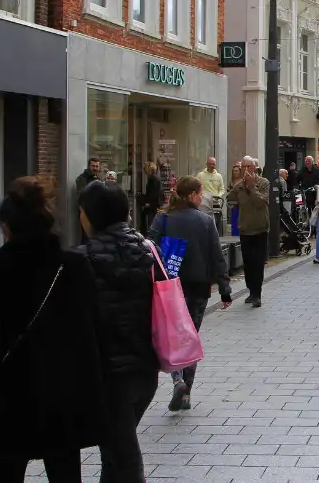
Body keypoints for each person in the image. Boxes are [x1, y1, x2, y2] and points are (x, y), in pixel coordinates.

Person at [0, 178, 107, 482]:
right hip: (63, 401)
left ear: (6, 226)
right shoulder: (73, 267)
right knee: (65, 473)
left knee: (5, 473)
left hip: (8, 403)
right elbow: (93, 335)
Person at [77, 181, 158, 480]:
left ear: (88, 215)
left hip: (107, 376)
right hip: (146, 371)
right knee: (113, 454)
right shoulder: (150, 250)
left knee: (122, 456)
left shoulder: (80, 260)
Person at [149, 176, 232, 411]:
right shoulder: (205, 221)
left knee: (171, 337)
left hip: (168, 288)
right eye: (201, 192)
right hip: (197, 288)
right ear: (194, 194)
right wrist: (224, 289)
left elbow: (150, 248)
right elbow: (217, 256)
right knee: (190, 338)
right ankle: (186, 391)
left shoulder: (162, 218)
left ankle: (177, 381)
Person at [229, 156, 269, 307]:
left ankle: (257, 294)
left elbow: (261, 203)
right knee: (248, 263)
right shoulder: (239, 186)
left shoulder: (263, 183)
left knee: (258, 262)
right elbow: (230, 199)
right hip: (245, 229)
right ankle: (251, 290)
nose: (246, 170)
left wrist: (252, 188)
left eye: (249, 166)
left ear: (254, 168)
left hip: (260, 228)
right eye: (243, 167)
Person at [140, 162, 162, 233]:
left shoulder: (152, 179)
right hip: (155, 203)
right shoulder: (155, 178)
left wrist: (149, 203)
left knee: (150, 220)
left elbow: (154, 192)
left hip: (152, 204)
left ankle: (148, 234)